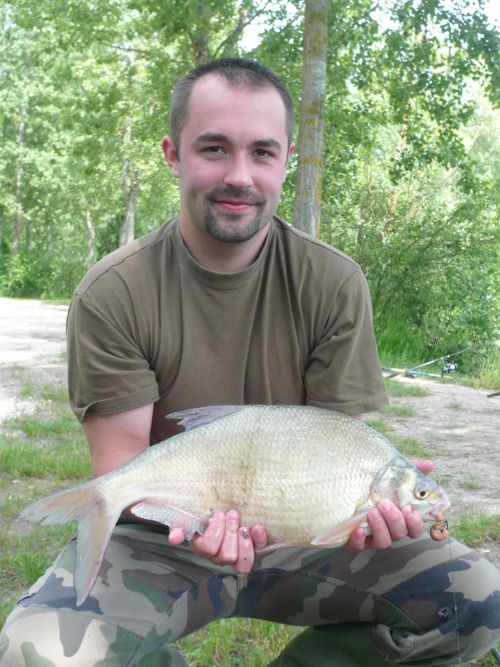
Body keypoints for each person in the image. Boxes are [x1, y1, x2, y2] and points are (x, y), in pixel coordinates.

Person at [0, 58, 498, 667]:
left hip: (310, 538)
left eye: (262, 152)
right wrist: (190, 519)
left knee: (479, 601)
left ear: (286, 157)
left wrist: (371, 517)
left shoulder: (334, 282)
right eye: (214, 148)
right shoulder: (113, 291)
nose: (240, 175)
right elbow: (121, 469)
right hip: (165, 538)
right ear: (173, 154)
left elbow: (336, 443)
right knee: (38, 653)